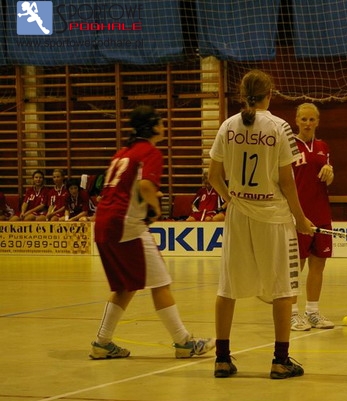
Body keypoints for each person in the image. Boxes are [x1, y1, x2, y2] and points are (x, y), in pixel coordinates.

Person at [207, 69, 315, 379]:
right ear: (270, 94)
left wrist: (231, 199)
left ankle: (222, 359)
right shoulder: (280, 127)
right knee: (282, 288)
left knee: (227, 288)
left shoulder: (227, 126)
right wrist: (300, 218)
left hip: (239, 215)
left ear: (243, 95)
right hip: (272, 216)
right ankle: (280, 360)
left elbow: (213, 176)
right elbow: (287, 181)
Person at [89, 105, 215, 359]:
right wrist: (155, 209)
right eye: (161, 121)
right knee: (161, 282)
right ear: (153, 126)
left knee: (125, 287)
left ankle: (102, 342)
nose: (164, 126)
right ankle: (184, 342)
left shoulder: (123, 152)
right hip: (127, 225)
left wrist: (145, 198)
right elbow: (146, 185)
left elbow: (130, 187)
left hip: (104, 222)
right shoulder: (149, 152)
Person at [289, 103, 335, 331]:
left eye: (311, 119)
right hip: (298, 215)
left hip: (321, 214)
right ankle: (291, 313)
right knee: (295, 267)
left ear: (318, 121)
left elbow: (328, 180)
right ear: (296, 121)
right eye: (304, 119)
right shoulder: (288, 145)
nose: (308, 124)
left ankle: (312, 312)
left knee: (318, 264)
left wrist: (330, 172)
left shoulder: (322, 146)